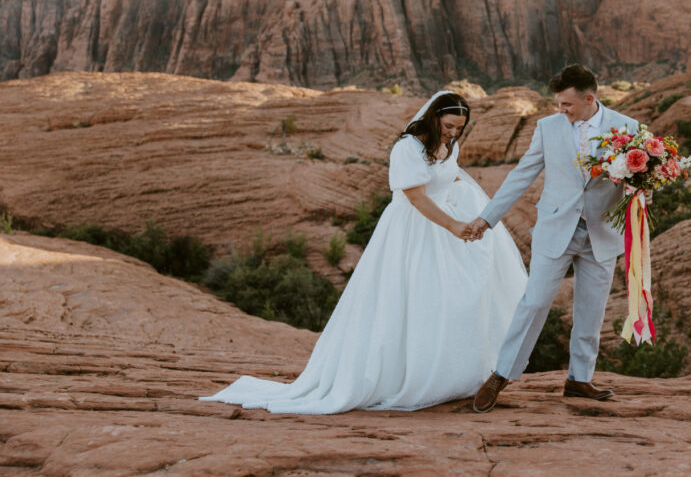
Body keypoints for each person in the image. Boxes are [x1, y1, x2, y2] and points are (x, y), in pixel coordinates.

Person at [199, 91, 527, 413]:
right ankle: (397, 376)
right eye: (449, 125)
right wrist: (455, 225)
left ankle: (442, 375)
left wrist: (472, 210)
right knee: (404, 300)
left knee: (442, 301)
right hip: (413, 230)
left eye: (460, 128)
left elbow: (451, 175)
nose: (454, 133)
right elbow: (418, 198)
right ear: (433, 117)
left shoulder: (446, 146)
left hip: (442, 228)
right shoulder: (407, 148)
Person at [466, 64, 638, 412]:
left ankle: (579, 380)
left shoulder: (627, 127)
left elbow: (638, 179)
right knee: (534, 302)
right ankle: (502, 374)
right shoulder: (547, 128)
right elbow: (521, 174)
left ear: (590, 99)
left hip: (602, 234)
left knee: (591, 310)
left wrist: (643, 190)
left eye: (567, 105)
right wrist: (487, 218)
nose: (561, 111)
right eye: (558, 104)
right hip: (555, 230)